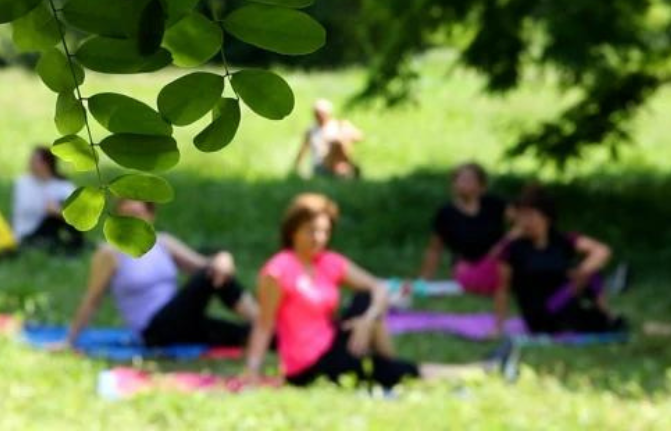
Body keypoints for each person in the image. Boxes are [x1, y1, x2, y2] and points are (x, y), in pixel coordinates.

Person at [245, 193, 507, 390]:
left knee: (367, 299)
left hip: (335, 342)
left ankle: (390, 363)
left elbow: (378, 287)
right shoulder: (278, 271)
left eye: (324, 231)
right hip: (308, 365)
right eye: (311, 231)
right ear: (293, 232)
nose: (319, 238)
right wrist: (253, 371)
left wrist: (368, 319)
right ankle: (479, 371)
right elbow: (264, 325)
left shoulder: (329, 261)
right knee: (387, 369)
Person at [65, 199, 258, 348]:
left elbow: (204, 264)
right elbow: (92, 299)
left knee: (248, 334)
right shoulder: (109, 253)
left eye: (137, 215)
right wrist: (70, 340)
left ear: (150, 217)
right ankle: (263, 320)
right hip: (154, 330)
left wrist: (224, 257)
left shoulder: (162, 242)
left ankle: (271, 329)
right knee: (211, 273)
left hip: (181, 320)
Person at [494, 184, 626, 336]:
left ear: (546, 218)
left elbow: (602, 251)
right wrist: (498, 327)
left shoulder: (562, 240)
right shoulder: (513, 249)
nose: (525, 222)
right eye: (521, 216)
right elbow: (502, 289)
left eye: (530, 216)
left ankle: (605, 315)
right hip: (539, 314)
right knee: (588, 284)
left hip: (564, 304)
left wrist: (581, 271)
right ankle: (607, 317)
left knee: (591, 273)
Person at [415, 163, 511, 295]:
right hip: (467, 268)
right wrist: (424, 281)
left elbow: (524, 222)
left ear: (481, 185)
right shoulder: (446, 213)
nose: (463, 184)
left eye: (469, 180)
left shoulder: (495, 204)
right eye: (459, 179)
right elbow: (434, 250)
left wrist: (506, 242)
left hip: (499, 263)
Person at [11, 147, 82, 254]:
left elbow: (78, 211)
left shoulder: (61, 185)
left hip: (53, 224)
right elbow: (23, 209)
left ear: (46, 164)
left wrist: (59, 211)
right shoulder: (23, 182)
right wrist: (48, 209)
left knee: (66, 216)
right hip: (28, 230)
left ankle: (75, 245)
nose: (31, 165)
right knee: (53, 219)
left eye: (35, 161)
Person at [293, 99, 364, 179]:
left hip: (338, 160)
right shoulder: (311, 130)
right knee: (337, 143)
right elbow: (302, 150)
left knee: (339, 142)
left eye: (320, 113)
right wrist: (296, 168)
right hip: (321, 163)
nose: (318, 116)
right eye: (316, 113)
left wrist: (343, 133)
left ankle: (348, 168)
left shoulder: (338, 125)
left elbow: (359, 136)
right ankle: (351, 168)